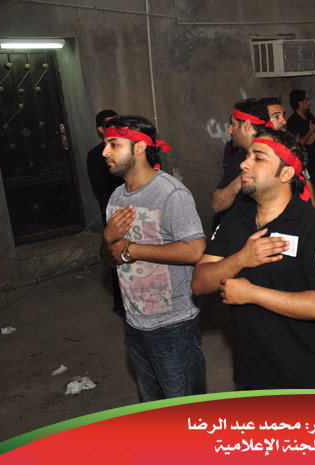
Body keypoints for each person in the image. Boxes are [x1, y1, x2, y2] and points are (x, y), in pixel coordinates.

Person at [192, 128, 315, 389]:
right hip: (250, 373)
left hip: (305, 376)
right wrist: (241, 259)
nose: (244, 164)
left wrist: (252, 294)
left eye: (259, 158)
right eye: (247, 156)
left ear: (286, 174)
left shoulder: (314, 227)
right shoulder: (235, 218)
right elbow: (198, 283)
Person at [100, 115, 207, 401]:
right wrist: (107, 238)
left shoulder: (171, 193)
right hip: (135, 324)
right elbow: (110, 259)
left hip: (173, 327)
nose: (105, 152)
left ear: (138, 148)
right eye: (105, 144)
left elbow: (195, 249)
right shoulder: (116, 198)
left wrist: (132, 249)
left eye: (113, 144)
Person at [86, 109, 124, 316]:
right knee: (116, 253)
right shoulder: (96, 154)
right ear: (101, 129)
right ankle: (120, 303)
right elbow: (101, 187)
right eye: (111, 123)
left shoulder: (126, 147)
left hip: (131, 207)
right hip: (113, 210)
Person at [212, 99, 269, 213]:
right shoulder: (237, 158)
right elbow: (217, 205)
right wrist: (241, 178)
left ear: (246, 126)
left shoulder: (275, 157)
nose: (229, 130)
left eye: (233, 124)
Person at [287, 89, 315, 220]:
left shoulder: (310, 116)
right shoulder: (292, 121)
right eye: (306, 100)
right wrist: (310, 132)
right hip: (305, 164)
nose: (309, 102)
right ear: (300, 103)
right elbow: (298, 143)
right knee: (310, 195)